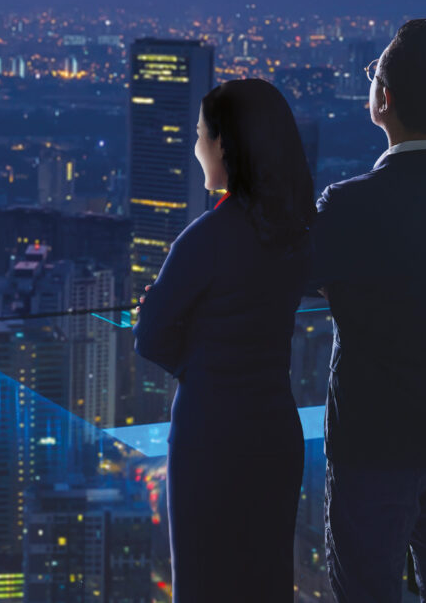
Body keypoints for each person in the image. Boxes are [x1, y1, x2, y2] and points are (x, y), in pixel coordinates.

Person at [310, 18, 426, 602]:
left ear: (383, 99)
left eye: (374, 75)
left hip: (375, 440)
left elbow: (296, 276)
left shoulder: (348, 205)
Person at [133, 78, 314, 602]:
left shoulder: (205, 238)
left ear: (224, 145)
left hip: (210, 437)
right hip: (275, 431)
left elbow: (150, 339)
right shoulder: (297, 234)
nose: (194, 146)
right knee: (267, 578)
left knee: (205, 580)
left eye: (199, 134)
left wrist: (197, 352)